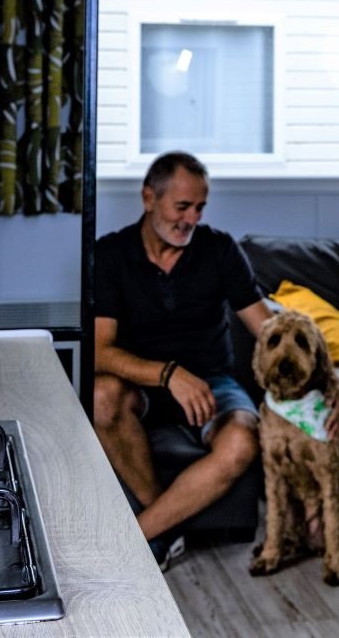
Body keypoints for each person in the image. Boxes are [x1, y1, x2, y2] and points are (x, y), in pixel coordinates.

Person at [92, 151, 272, 570]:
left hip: (213, 383)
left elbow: (269, 330)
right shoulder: (112, 254)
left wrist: (325, 382)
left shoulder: (221, 249)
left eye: (199, 208)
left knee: (243, 439)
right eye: (182, 206)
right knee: (102, 394)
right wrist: (168, 374)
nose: (190, 219)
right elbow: (100, 350)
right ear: (148, 198)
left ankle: (140, 537)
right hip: (143, 385)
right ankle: (166, 527)